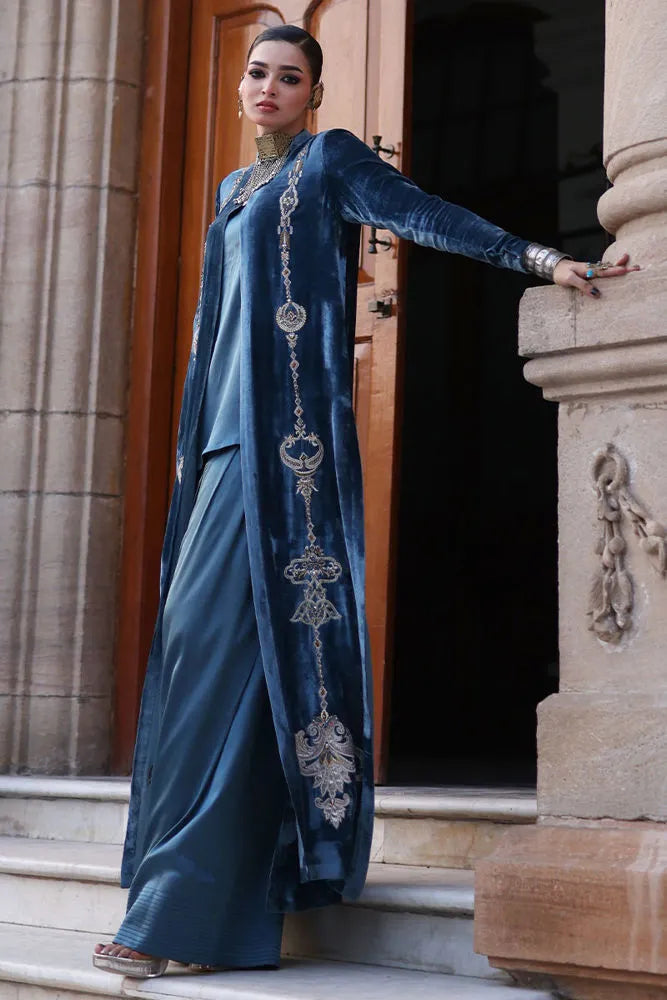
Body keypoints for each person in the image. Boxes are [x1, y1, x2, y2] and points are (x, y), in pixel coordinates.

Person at [93, 24, 639, 980]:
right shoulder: (232, 189)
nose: (268, 87)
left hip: (284, 461)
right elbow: (214, 327)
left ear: (314, 94)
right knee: (198, 667)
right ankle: (200, 906)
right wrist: (188, 451)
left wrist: (541, 260)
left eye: (289, 77)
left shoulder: (328, 163)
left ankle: (176, 917)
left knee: (232, 669)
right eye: (256, 72)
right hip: (216, 453)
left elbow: (422, 214)